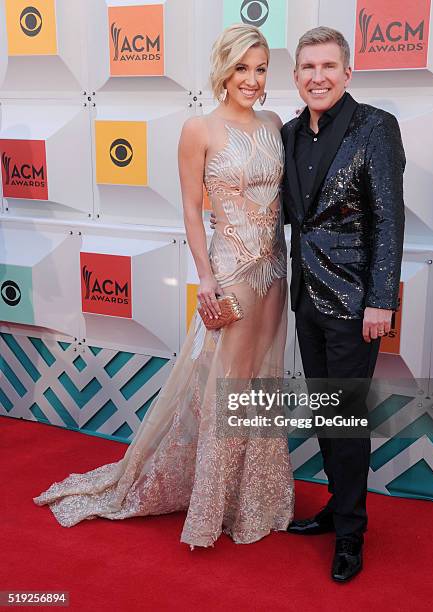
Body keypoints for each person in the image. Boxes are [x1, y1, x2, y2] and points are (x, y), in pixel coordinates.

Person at [33, 24, 294, 548]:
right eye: (242, 67)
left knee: (264, 381)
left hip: (275, 269)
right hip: (233, 272)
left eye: (260, 68)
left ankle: (257, 498)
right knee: (229, 384)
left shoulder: (274, 121)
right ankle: (209, 507)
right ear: (223, 69)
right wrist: (205, 276)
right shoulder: (200, 128)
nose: (251, 79)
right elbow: (193, 214)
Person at [282, 27, 405, 582]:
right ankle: (337, 507)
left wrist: (381, 300)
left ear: (347, 72)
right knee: (327, 417)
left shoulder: (374, 126)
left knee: (347, 421)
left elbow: (388, 219)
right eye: (308, 67)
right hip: (306, 299)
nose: (318, 76)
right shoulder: (288, 134)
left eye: (328, 66)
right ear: (296, 76)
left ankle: (351, 533)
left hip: (356, 304)